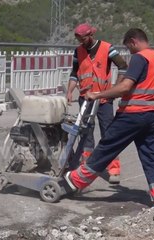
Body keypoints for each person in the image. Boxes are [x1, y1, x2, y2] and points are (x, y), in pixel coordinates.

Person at [63, 28, 154, 207]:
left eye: (129, 47)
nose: (130, 51)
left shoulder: (140, 57)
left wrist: (98, 95)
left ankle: (74, 181)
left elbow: (125, 87)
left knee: (106, 147)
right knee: (150, 156)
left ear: (133, 41)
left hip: (133, 114)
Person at [65, 23, 128, 184]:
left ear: (90, 35)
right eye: (78, 38)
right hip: (85, 98)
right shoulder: (78, 51)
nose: (81, 41)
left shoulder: (107, 48)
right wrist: (70, 91)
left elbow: (123, 66)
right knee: (86, 133)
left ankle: (113, 169)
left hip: (103, 99)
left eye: (83, 38)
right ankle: (87, 166)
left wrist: (116, 88)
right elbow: (74, 73)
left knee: (108, 132)